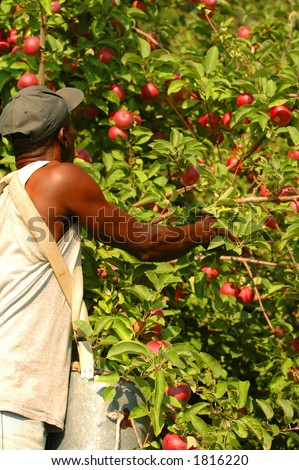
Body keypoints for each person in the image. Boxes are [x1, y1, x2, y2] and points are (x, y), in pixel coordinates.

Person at [0, 85, 229, 450]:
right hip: (13, 397)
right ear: (62, 135)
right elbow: (146, 243)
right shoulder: (60, 178)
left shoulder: (5, 194)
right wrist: (205, 230)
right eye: (72, 127)